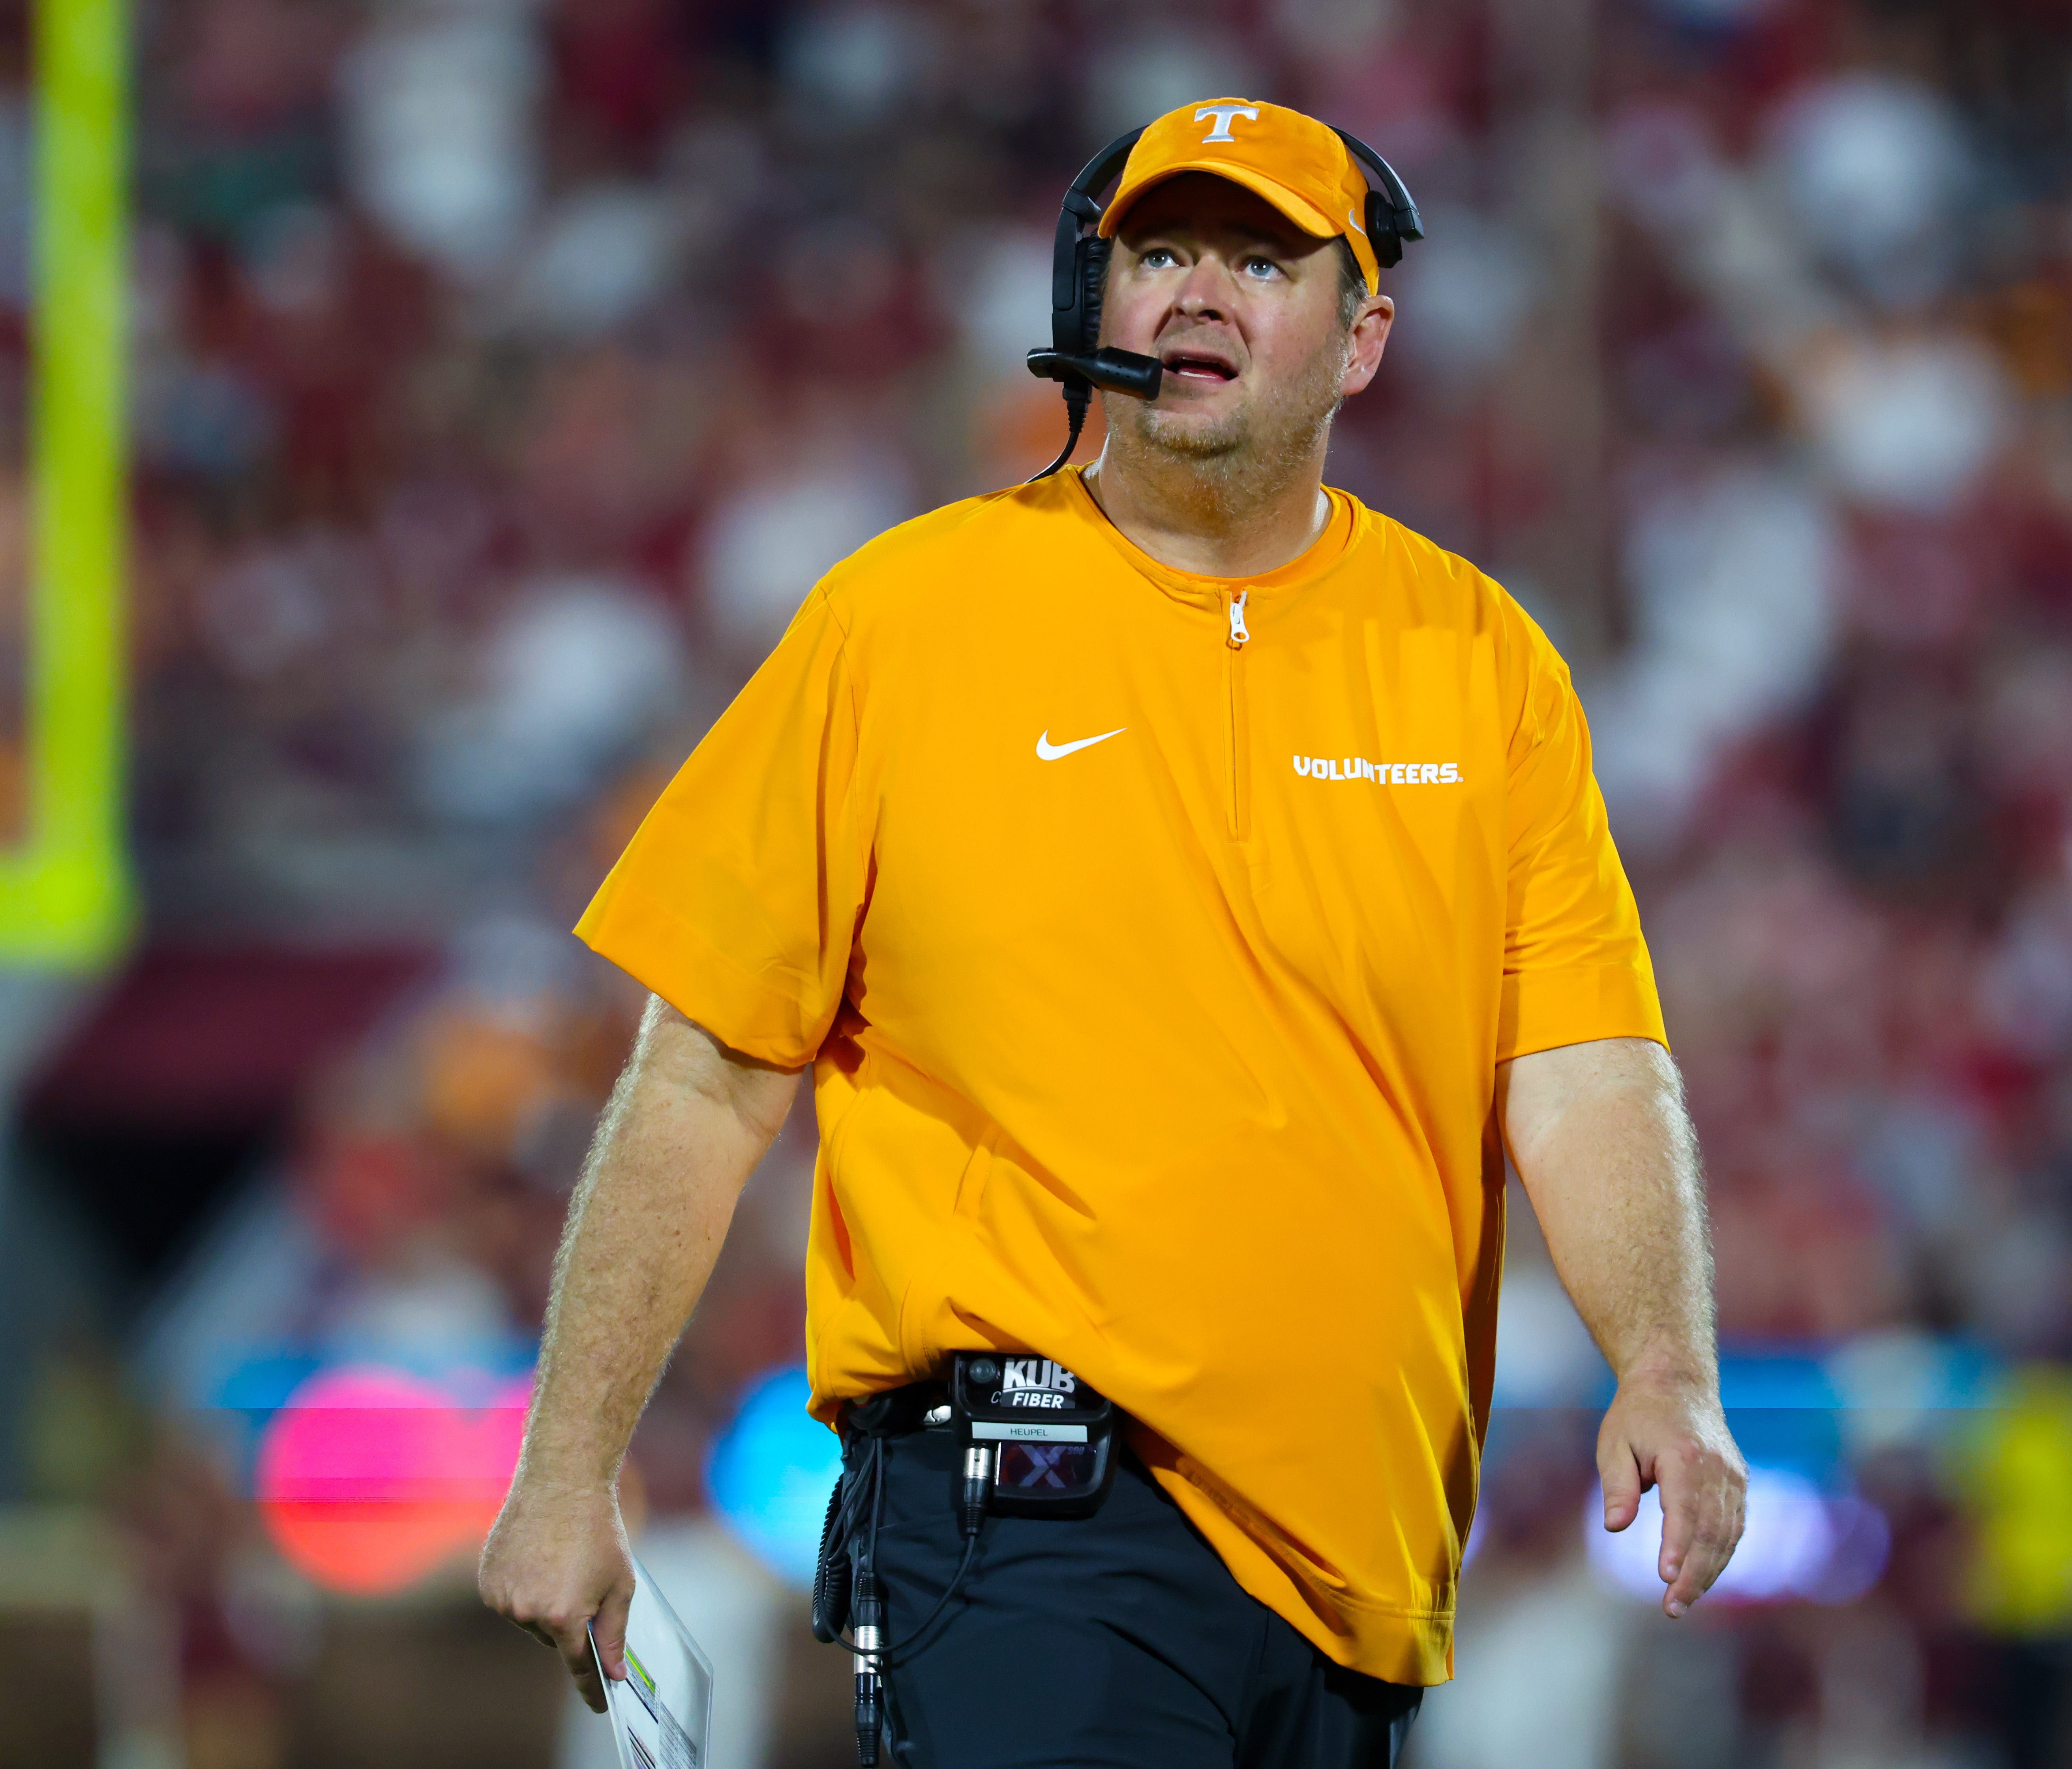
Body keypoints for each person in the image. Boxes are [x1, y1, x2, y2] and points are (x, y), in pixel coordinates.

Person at [478, 95, 1747, 1768]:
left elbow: (1583, 1067)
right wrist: (567, 1466)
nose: (1197, 292)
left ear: (1362, 341)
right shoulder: (902, 622)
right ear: (1097, 303)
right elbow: (701, 1075)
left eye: (1261, 262)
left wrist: (1666, 1365)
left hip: (1360, 1572)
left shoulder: (1481, 660)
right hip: (1027, 1521)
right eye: (1160, 253)